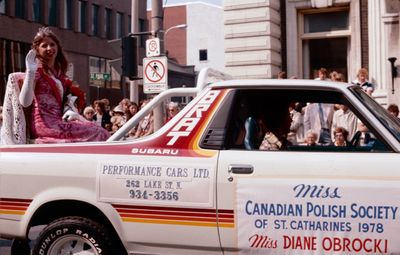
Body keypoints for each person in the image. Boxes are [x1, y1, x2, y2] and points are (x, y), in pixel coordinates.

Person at [18, 27, 109, 143]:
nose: (49, 48)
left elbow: (63, 100)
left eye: (52, 44)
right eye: (44, 46)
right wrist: (30, 72)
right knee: (99, 132)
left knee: (100, 131)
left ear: (58, 47)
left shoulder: (58, 72)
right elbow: (25, 102)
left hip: (59, 120)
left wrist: (69, 110)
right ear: (37, 50)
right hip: (44, 124)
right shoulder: (36, 70)